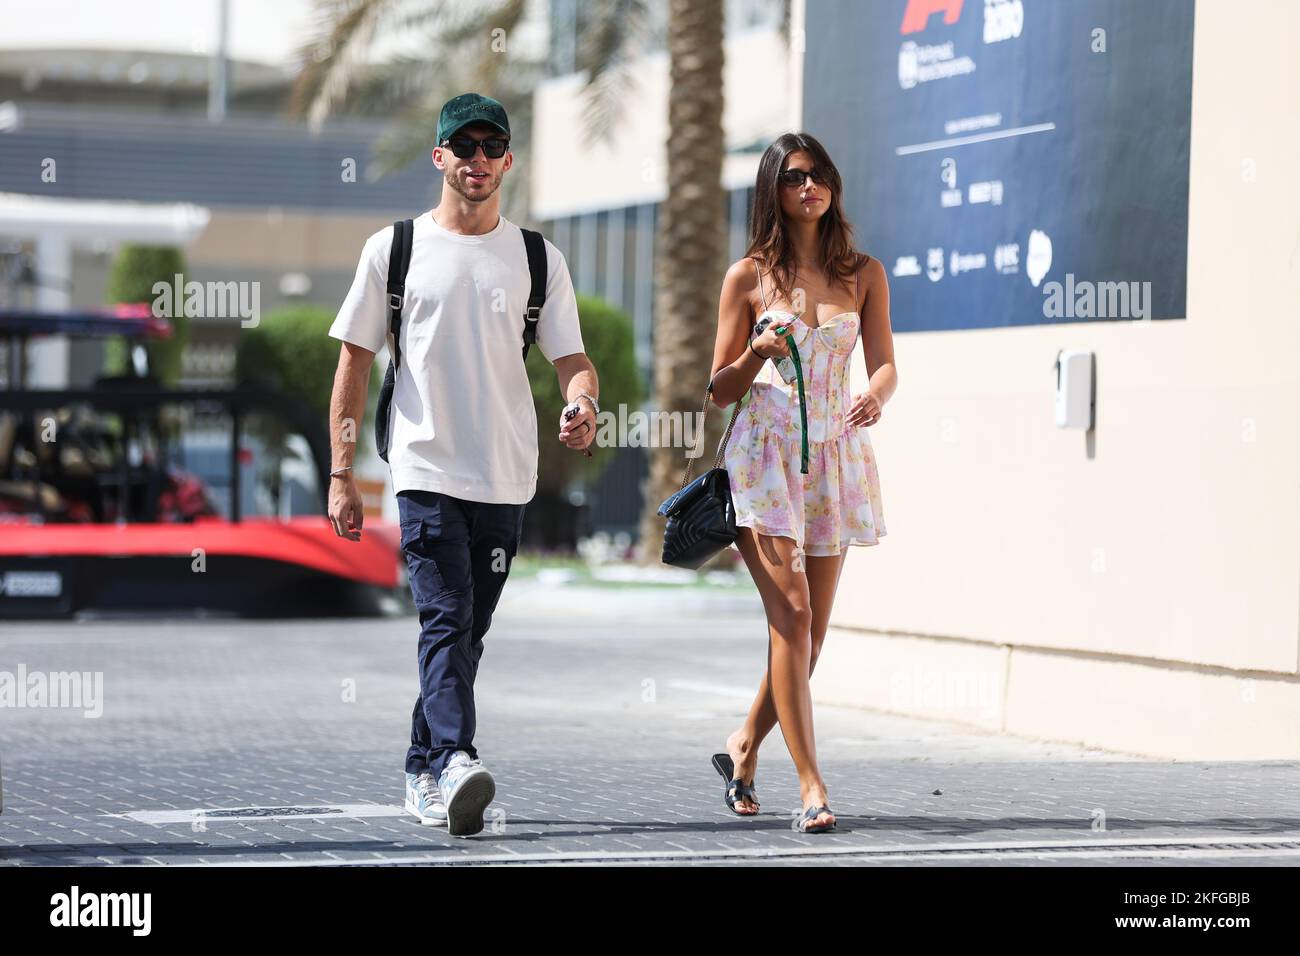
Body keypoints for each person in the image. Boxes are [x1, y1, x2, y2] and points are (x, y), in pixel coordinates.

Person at [326, 93, 599, 836]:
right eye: (462, 146)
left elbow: (572, 359)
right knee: (445, 618)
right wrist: (342, 472)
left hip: (505, 475)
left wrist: (583, 404)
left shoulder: (538, 257)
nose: (477, 159)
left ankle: (421, 767)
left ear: (508, 160)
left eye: (491, 146)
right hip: (423, 470)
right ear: (439, 156)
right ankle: (455, 759)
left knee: (467, 632)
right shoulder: (396, 249)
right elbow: (354, 361)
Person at [706, 131, 896, 833]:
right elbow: (719, 389)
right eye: (793, 178)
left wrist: (877, 394)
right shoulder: (747, 277)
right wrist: (757, 350)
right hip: (763, 455)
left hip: (835, 458)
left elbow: (885, 364)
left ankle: (745, 744)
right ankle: (812, 785)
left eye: (817, 174)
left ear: (833, 184)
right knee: (791, 615)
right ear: (774, 193)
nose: (808, 187)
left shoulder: (865, 273)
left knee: (808, 635)